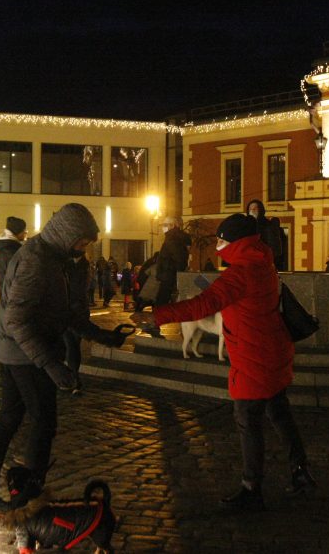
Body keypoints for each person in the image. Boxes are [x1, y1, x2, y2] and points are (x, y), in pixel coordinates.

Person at [130, 213, 315, 512]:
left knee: (247, 422)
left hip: (252, 360)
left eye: (222, 239)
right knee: (280, 415)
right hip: (274, 352)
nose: (217, 243)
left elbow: (203, 305)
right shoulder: (264, 264)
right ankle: (300, 471)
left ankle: (251, 487)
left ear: (236, 242)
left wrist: (157, 316)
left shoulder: (238, 274)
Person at [0, 203, 127, 512]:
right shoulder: (36, 261)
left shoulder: (55, 259)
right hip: (25, 355)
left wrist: (102, 336)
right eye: (82, 243)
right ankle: (29, 497)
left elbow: (64, 312)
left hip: (20, 351)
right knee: (43, 421)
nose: (84, 249)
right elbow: (17, 321)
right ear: (67, 236)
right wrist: (51, 365)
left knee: (10, 418)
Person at [62, 253, 93, 395]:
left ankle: (73, 377)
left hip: (76, 310)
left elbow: (80, 289)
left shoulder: (83, 267)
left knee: (73, 344)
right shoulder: (68, 264)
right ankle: (73, 377)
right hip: (69, 309)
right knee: (70, 344)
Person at [155, 217, 191, 306]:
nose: (164, 228)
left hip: (168, 272)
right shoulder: (180, 237)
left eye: (165, 225)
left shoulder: (171, 237)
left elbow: (177, 255)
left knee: (162, 298)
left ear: (173, 225)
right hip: (172, 272)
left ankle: (159, 315)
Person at [0, 216, 27, 300]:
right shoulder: (11, 250)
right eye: (24, 230)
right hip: (13, 296)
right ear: (18, 232)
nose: (25, 233)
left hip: (5, 294)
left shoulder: (4, 248)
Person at [247, 200, 285, 271]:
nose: (252, 211)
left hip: (265, 264)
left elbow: (274, 248)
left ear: (260, 210)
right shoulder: (246, 226)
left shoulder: (267, 225)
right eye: (250, 209)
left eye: (255, 209)